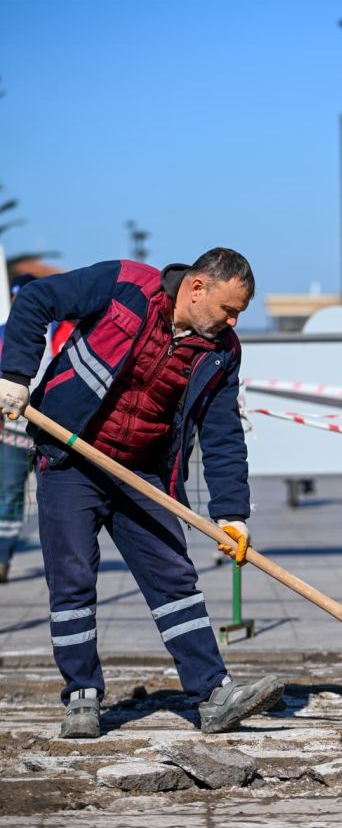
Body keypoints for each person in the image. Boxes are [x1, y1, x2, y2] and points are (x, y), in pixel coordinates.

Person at [0, 250, 283, 738]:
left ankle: (212, 694)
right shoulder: (125, 284)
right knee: (72, 582)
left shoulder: (222, 351)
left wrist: (232, 514)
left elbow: (222, 434)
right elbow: (37, 299)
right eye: (229, 309)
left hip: (140, 473)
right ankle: (82, 697)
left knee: (174, 578)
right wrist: (15, 375)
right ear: (197, 288)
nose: (233, 321)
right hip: (69, 458)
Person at [0, 275, 74, 583]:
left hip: (54, 428)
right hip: (14, 429)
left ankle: (66, 562)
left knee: (60, 497)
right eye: (17, 299)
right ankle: (2, 557)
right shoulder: (3, 334)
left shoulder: (64, 331)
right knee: (9, 494)